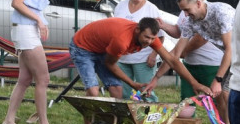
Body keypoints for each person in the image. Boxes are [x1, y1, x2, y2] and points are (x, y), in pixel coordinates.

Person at [150, 0, 236, 124]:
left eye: (187, 10)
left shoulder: (221, 12)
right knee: (227, 97)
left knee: (233, 97)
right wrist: (157, 73)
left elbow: (230, 48)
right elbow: (176, 55)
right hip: (235, 59)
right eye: (183, 12)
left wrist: (217, 79)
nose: (186, 15)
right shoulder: (191, 21)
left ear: (198, 2)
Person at [1, 0, 66, 124]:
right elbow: (17, 3)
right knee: (43, 78)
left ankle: (9, 120)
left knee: (24, 79)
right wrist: (38, 20)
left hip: (27, 31)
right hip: (25, 31)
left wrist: (39, 22)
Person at [68, 17, 211, 99]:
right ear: (137, 30)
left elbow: (172, 60)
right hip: (83, 47)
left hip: (103, 48)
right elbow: (110, 64)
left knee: (117, 90)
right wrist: (132, 83)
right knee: (93, 91)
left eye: (152, 39)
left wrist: (194, 83)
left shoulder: (151, 38)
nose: (148, 42)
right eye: (146, 37)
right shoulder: (122, 41)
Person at [113, 0, 172, 87]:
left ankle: (148, 105)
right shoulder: (120, 6)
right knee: (124, 92)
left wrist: (153, 55)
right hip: (123, 57)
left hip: (143, 58)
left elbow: (160, 35)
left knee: (145, 90)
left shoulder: (151, 9)